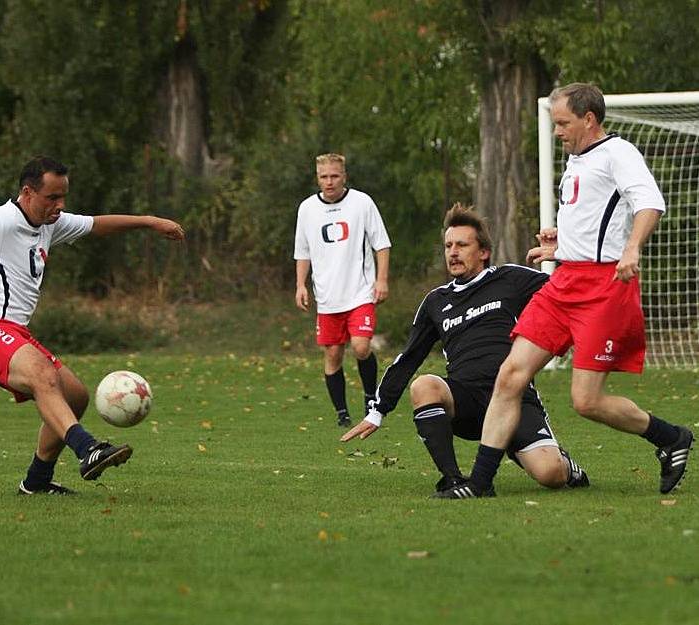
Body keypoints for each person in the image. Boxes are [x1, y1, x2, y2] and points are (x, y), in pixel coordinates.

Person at [438, 83, 693, 499]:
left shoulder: (618, 153)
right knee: (510, 374)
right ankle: (479, 484)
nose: (557, 131)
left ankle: (671, 437)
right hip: (565, 283)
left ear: (589, 120)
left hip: (605, 288)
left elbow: (650, 202)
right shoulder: (576, 161)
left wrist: (632, 249)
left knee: (585, 401)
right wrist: (562, 246)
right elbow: (596, 221)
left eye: (563, 123)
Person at [0, 156, 185, 495]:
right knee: (43, 374)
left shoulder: (49, 224)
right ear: (27, 192)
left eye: (63, 197)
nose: (60, 206)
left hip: (13, 333)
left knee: (75, 395)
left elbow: (95, 225)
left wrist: (149, 222)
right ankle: (88, 450)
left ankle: (36, 482)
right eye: (52, 198)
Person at [340, 204, 589, 494]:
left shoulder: (510, 279)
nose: (453, 252)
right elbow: (409, 358)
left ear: (483, 251)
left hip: (512, 395)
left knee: (550, 475)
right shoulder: (436, 301)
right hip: (465, 400)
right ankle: (454, 479)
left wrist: (563, 254)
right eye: (448, 246)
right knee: (425, 386)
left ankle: (562, 463)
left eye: (461, 245)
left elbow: (566, 288)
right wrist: (378, 410)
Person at [294, 153, 391, 426]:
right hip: (327, 298)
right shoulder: (307, 209)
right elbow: (302, 252)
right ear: (317, 178)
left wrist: (381, 280)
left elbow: (381, 244)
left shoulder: (362, 203)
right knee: (333, 354)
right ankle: (342, 413)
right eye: (324, 177)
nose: (329, 182)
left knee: (361, 347)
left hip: (360, 293)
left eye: (334, 176)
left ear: (344, 176)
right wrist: (301, 285)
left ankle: (371, 396)